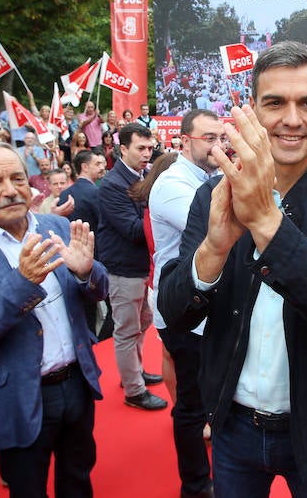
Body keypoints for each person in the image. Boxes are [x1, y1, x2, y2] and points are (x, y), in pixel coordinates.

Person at [158, 42, 307, 496]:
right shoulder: (212, 196)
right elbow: (175, 310)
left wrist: (266, 220)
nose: (292, 118)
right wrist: (215, 248)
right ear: (252, 111)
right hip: (233, 426)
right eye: (274, 103)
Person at [0, 140, 108, 496]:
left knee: (78, 477)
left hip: (76, 383)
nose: (10, 191)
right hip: (17, 395)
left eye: (18, 178)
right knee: (27, 487)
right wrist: (22, 283)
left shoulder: (54, 225)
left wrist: (88, 272)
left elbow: (97, 289)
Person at [150, 109, 224, 498]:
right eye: (208, 137)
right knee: (191, 404)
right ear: (184, 141)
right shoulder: (174, 184)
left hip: (206, 307)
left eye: (221, 137)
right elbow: (221, 231)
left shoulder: (210, 179)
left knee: (205, 394)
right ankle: (196, 486)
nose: (218, 145)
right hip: (182, 310)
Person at [98, 123, 167, 411]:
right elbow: (132, 230)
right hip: (123, 268)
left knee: (143, 321)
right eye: (140, 148)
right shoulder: (112, 185)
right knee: (127, 329)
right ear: (122, 148)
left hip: (139, 267)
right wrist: (164, 219)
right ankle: (134, 390)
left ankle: (134, 373)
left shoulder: (145, 175)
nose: (146, 154)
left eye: (150, 149)